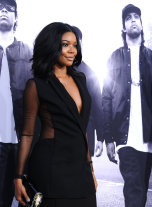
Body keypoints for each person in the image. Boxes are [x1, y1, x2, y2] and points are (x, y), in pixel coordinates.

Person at [14, 22, 97, 207]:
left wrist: (90, 169)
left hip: (80, 170)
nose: (72, 50)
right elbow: (27, 134)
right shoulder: (35, 85)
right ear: (52, 46)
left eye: (75, 45)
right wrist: (18, 177)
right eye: (65, 44)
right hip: (50, 170)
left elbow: (81, 128)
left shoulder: (80, 79)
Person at [102, 4, 152, 207]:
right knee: (133, 187)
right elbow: (106, 100)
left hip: (147, 137)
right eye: (128, 18)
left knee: (141, 187)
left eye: (136, 17)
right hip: (124, 136)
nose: (133, 20)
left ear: (141, 24)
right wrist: (108, 139)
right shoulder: (114, 58)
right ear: (123, 27)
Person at [0, 0, 32, 206]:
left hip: (19, 139)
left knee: (20, 198)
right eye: (0, 8)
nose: (3, 11)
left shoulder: (27, 52)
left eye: (9, 9)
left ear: (16, 18)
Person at [72, 26, 104, 157]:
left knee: (81, 176)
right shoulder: (54, 72)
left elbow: (98, 107)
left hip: (84, 138)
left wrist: (101, 138)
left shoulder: (90, 74)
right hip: (59, 140)